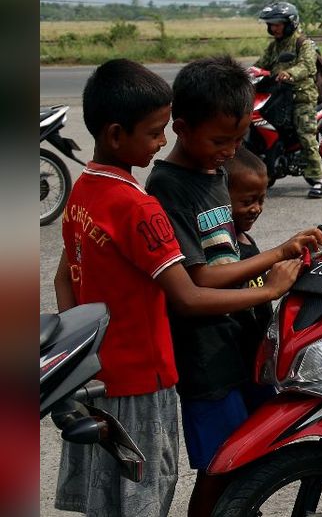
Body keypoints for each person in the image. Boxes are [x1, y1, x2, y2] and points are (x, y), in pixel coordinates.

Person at [52, 59, 303, 517]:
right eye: (154, 132)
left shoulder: (84, 192)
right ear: (115, 135)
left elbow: (63, 276)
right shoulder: (140, 206)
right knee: (146, 493)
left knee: (111, 492)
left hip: (103, 374)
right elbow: (187, 295)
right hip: (146, 377)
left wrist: (80, 360)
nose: (162, 141)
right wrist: (269, 289)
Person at [145, 56, 322, 517]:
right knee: (220, 466)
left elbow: (231, 250)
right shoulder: (168, 187)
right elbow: (198, 278)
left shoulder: (215, 172)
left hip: (242, 344)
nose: (230, 150)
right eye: (220, 140)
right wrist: (278, 258)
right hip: (207, 359)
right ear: (181, 128)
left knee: (254, 452)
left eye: (239, 138)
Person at [254, 1, 322, 198]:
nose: (273, 28)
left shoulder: (304, 43)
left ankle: (319, 179)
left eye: (277, 24)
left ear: (290, 23)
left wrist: (289, 73)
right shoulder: (274, 46)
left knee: (305, 134)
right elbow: (261, 64)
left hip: (301, 97)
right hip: (278, 96)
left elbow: (307, 67)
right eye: (271, 24)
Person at [224, 147, 278, 410]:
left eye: (261, 200)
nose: (256, 209)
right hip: (237, 362)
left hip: (259, 357)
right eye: (246, 202)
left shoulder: (248, 241)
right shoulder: (225, 251)